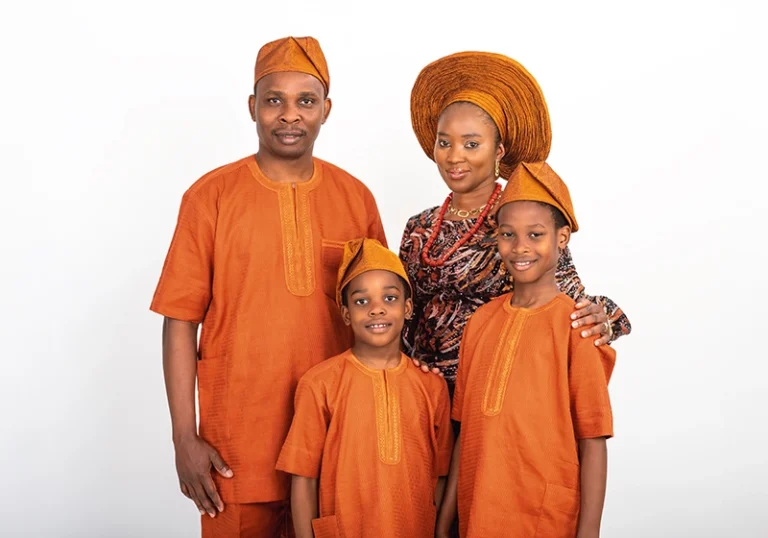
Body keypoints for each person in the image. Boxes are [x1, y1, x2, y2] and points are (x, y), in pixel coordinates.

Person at [149, 36, 387, 538]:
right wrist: (183, 437)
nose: (289, 114)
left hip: (336, 436)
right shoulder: (210, 197)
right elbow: (179, 322)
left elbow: (386, 318)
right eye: (274, 99)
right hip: (237, 444)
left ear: (326, 109)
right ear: (253, 107)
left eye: (306, 100)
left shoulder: (355, 197)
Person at [401, 51, 631, 391]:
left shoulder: (519, 221)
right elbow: (404, 314)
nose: (454, 156)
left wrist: (605, 320)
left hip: (495, 392)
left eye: (472, 144)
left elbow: (568, 300)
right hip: (422, 397)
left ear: (499, 151)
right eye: (444, 142)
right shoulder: (419, 227)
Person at [436, 161, 616, 538]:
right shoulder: (480, 323)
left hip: (545, 517)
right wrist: (443, 523)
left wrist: (589, 534)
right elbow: (464, 435)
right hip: (478, 513)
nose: (520, 248)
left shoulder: (577, 325)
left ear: (562, 238)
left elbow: (593, 442)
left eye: (535, 234)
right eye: (508, 234)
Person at [276, 238, 454, 538]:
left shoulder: (431, 386)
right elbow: (303, 478)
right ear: (345, 313)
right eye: (361, 301)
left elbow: (441, 474)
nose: (376, 310)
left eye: (389, 298)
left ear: (408, 307)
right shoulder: (320, 384)